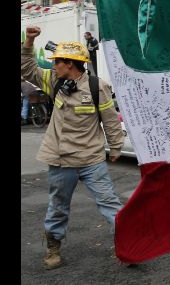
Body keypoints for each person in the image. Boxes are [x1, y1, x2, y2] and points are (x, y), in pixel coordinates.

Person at [22, 27, 124, 270]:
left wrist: (116, 147)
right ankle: (53, 248)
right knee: (58, 206)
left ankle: (129, 244)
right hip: (60, 159)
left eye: (57, 61)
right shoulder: (53, 80)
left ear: (70, 63)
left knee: (110, 202)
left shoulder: (97, 86)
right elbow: (26, 68)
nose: (54, 65)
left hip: (91, 159)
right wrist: (30, 40)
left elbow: (110, 118)